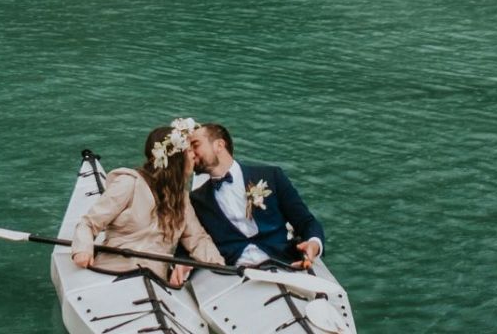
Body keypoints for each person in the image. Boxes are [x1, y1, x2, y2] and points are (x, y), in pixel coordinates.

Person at [71, 117, 224, 287]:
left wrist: (220, 268)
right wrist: (83, 249)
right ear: (176, 158)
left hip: (155, 282)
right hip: (112, 272)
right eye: (189, 151)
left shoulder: (181, 199)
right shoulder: (129, 183)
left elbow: (198, 240)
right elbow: (88, 224)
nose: (194, 155)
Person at [189, 122, 326, 269]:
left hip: (283, 264)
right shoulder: (197, 199)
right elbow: (191, 240)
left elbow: (306, 221)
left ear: (219, 145)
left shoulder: (271, 176)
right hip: (232, 274)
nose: (190, 153)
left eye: (195, 145)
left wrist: (314, 244)